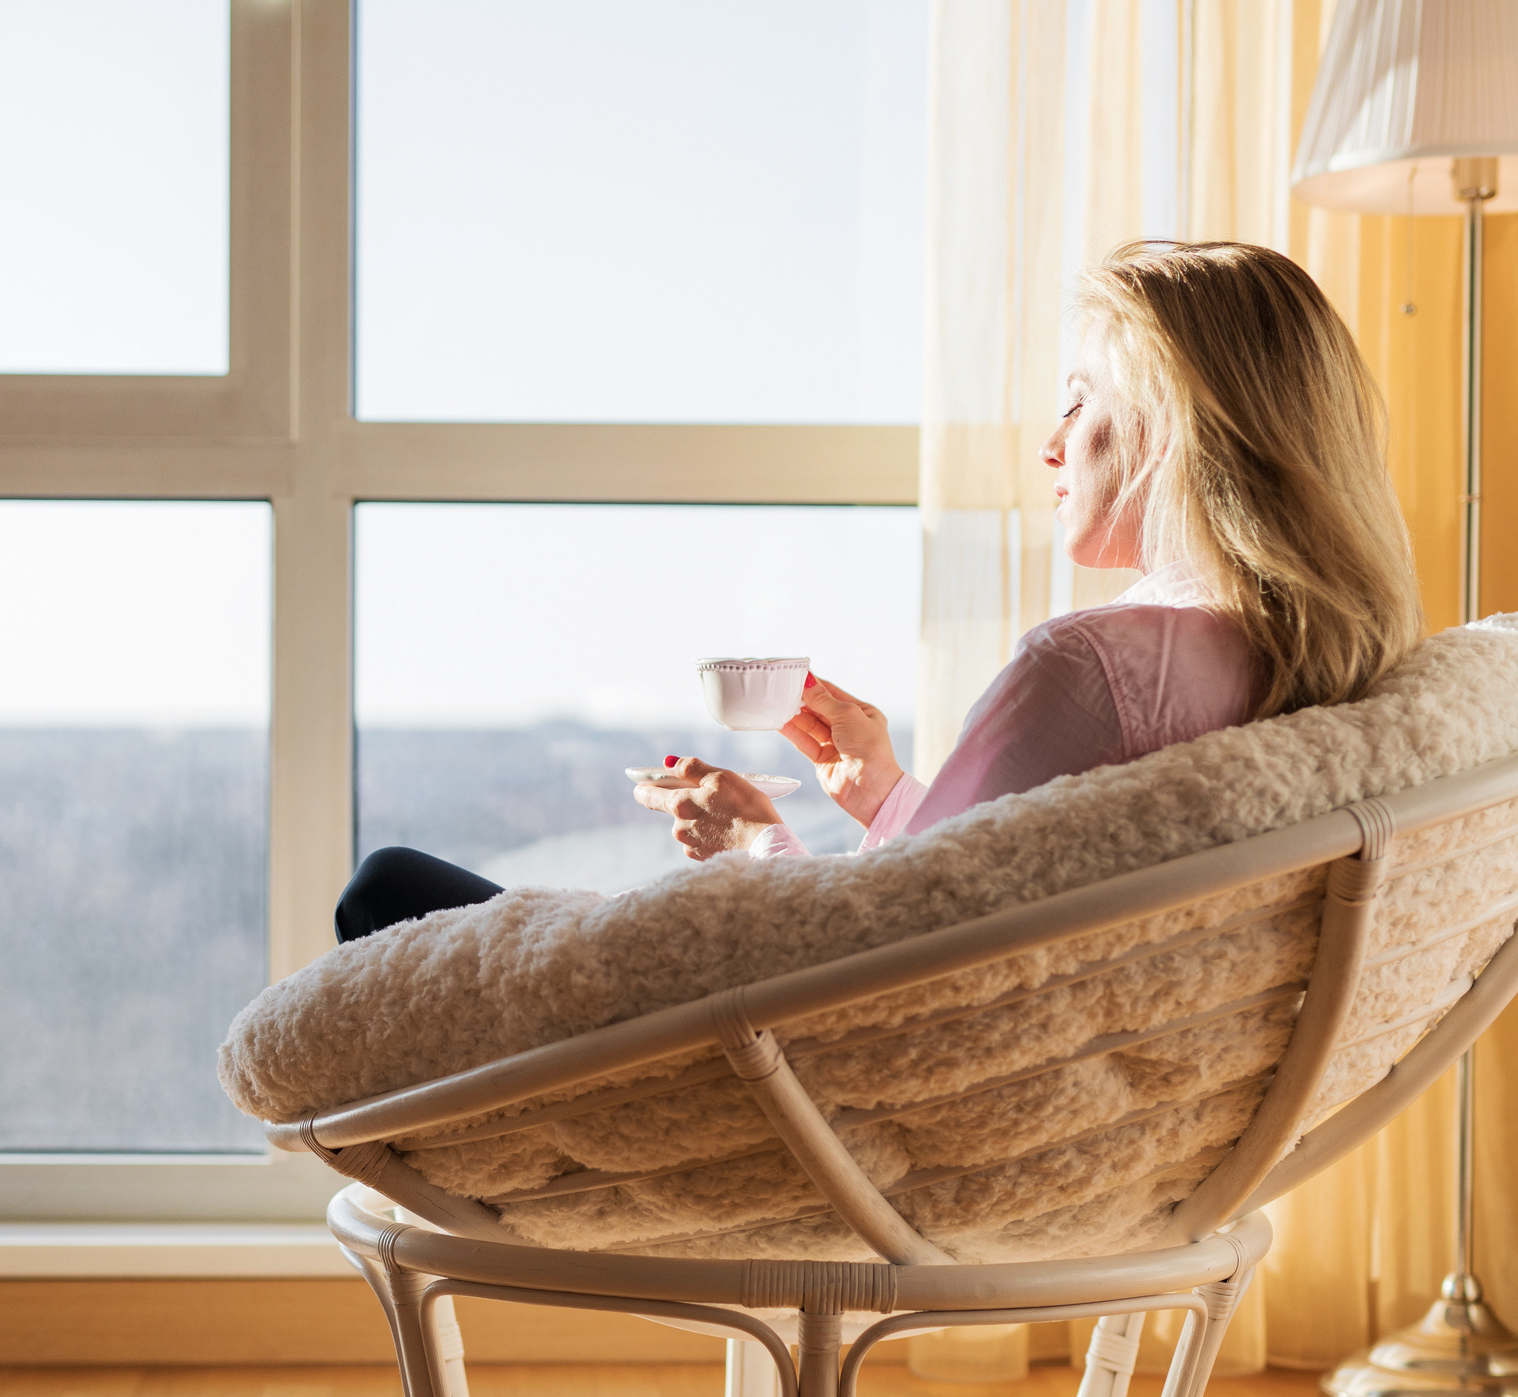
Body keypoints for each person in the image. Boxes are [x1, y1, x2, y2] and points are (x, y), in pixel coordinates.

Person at [336, 241, 1422, 943]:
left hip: (803, 1096)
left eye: (1078, 402)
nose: (1049, 446)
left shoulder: (1093, 667)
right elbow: (966, 900)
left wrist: (754, 842)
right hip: (992, 1094)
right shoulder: (1288, 666)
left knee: (386, 891)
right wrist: (883, 797)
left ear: (1171, 426)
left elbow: (873, 960)